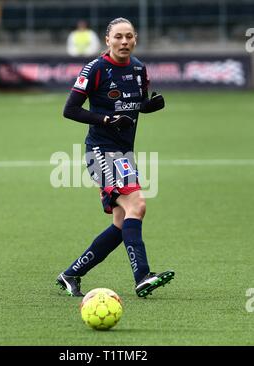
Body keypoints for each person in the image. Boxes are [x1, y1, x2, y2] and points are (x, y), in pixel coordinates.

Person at [57, 17, 175, 298]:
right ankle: (143, 276)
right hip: (100, 150)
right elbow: (70, 110)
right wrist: (107, 120)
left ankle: (71, 274)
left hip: (124, 154)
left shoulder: (138, 68)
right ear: (107, 39)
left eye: (129, 37)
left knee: (122, 223)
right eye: (118, 37)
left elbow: (134, 105)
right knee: (138, 204)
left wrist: (148, 107)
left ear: (135, 39)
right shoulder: (96, 68)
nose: (124, 42)